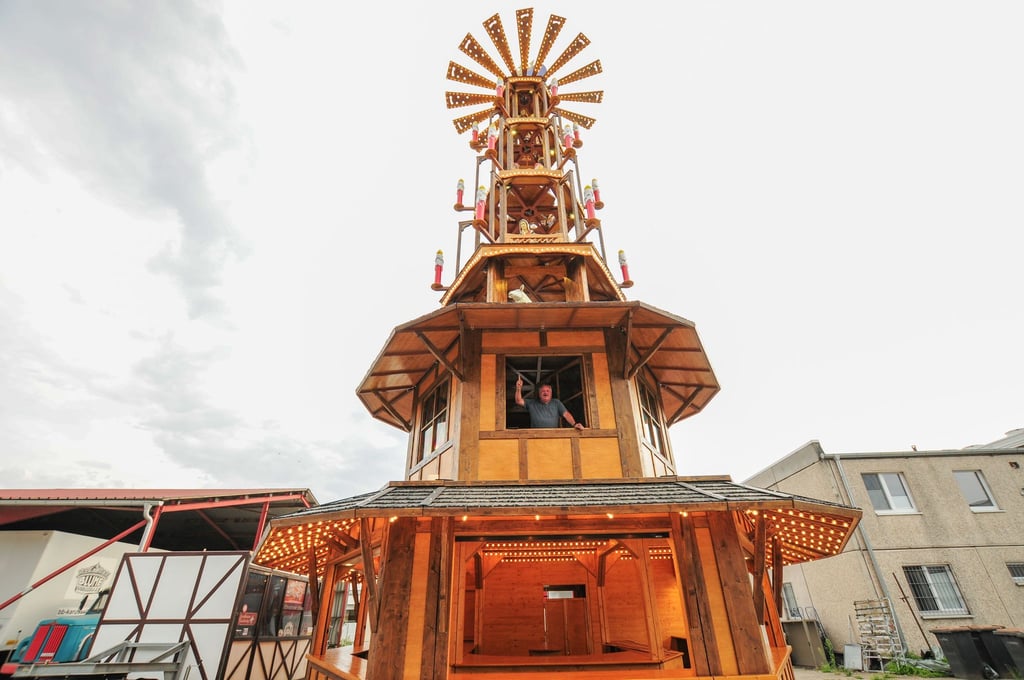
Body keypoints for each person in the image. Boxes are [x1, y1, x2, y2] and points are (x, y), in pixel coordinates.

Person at [514, 375, 584, 429]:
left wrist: (574, 424)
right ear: (539, 394)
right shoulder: (532, 403)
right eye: (543, 391)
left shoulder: (556, 403)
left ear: (551, 393)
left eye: (548, 391)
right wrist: (518, 388)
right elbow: (518, 400)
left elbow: (566, 414)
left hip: (553, 437)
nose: (545, 393)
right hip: (535, 437)